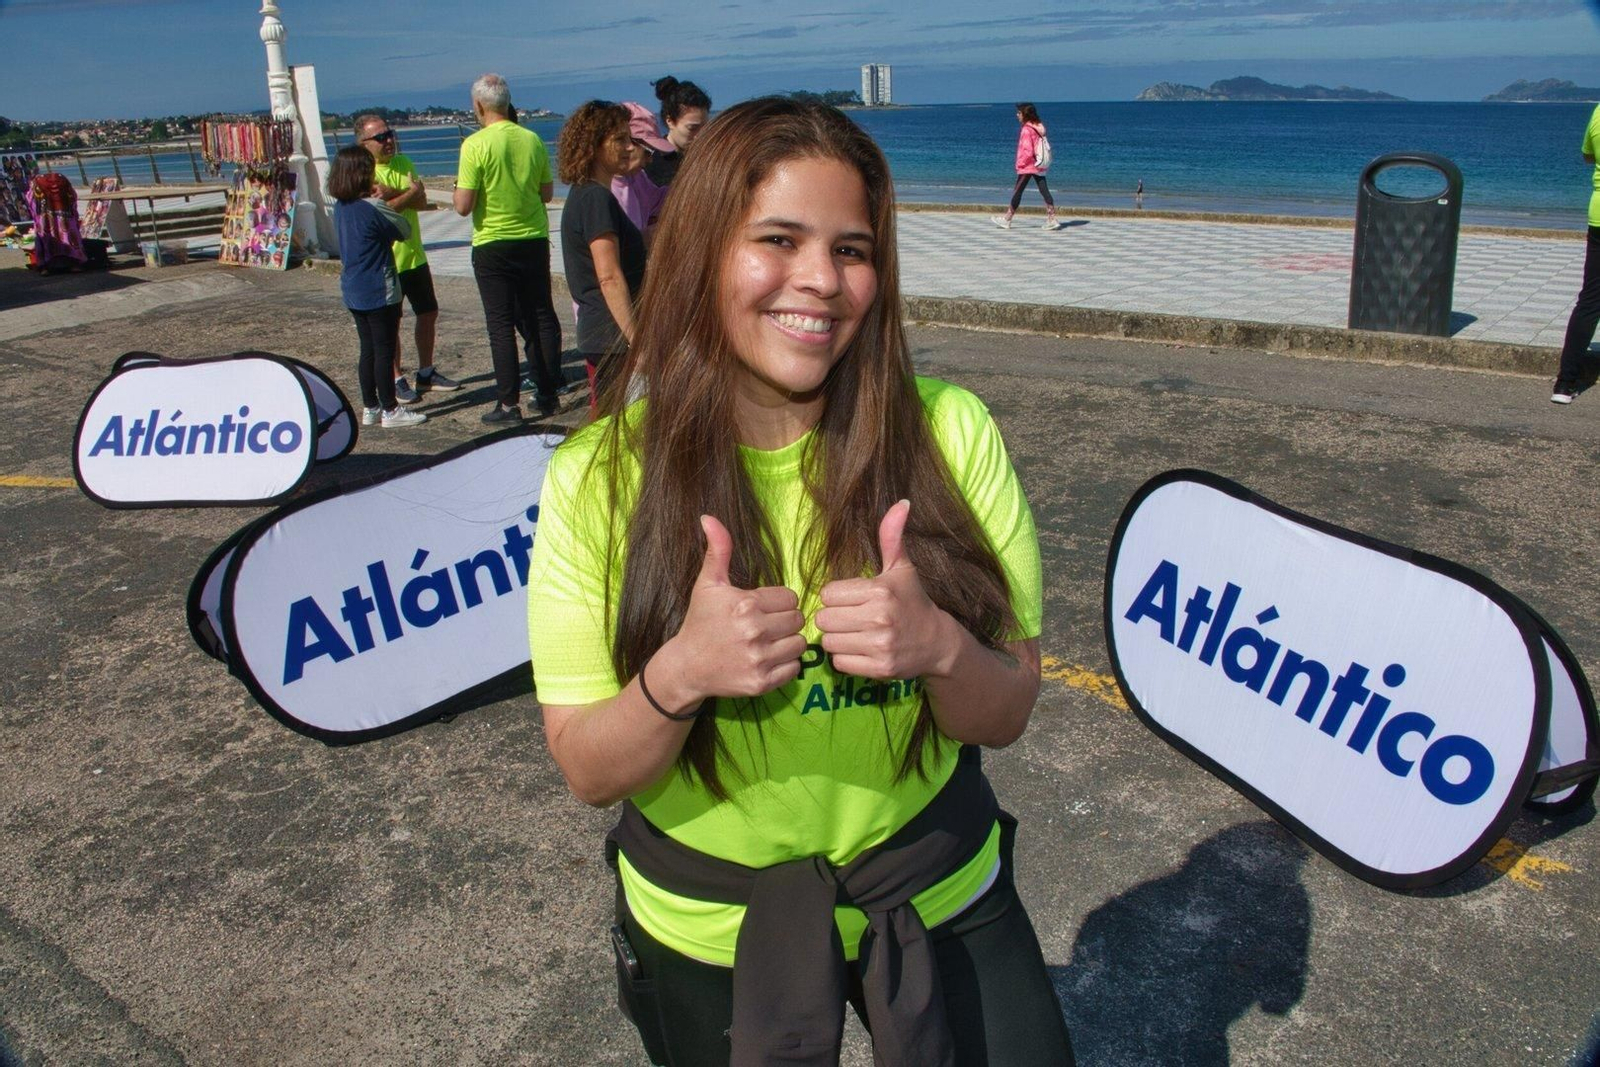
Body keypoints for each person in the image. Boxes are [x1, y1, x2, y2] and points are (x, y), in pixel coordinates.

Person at [528, 98, 1075, 1067]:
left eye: (853, 249)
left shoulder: (952, 432)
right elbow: (589, 767)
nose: (821, 280)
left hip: (938, 886)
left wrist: (941, 647)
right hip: (709, 924)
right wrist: (679, 674)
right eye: (777, 239)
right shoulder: (596, 476)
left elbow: (1005, 710)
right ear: (698, 251)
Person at [453, 73, 563, 422]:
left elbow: (463, 205)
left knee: (500, 324)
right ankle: (547, 392)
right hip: (532, 238)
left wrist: (461, 185)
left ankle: (508, 403)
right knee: (541, 314)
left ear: (479, 106)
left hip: (493, 242)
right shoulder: (532, 140)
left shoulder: (475, 144)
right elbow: (547, 193)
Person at [354, 113, 462, 403]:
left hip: (415, 254)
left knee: (428, 312)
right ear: (364, 143)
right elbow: (380, 212)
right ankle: (396, 377)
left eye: (390, 134)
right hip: (388, 260)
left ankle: (425, 373)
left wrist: (398, 194)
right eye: (380, 137)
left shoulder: (404, 163)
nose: (389, 141)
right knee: (391, 323)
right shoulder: (363, 172)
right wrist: (407, 193)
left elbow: (421, 199)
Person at [326, 146, 426, 429]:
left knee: (367, 349)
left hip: (353, 286)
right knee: (384, 350)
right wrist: (410, 193)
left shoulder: (341, 207)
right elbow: (403, 231)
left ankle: (370, 406)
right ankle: (391, 409)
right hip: (379, 286)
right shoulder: (372, 207)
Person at [560, 102, 648, 411]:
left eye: (630, 139)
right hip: (612, 337)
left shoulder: (586, 195)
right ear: (593, 146)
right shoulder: (596, 199)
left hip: (604, 334)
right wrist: (637, 340)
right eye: (619, 140)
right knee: (615, 425)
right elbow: (608, 276)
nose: (629, 147)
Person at [1552, 101, 1600, 404]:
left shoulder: (1598, 112)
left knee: (1590, 301)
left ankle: (1564, 383)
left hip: (1599, 216)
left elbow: (1587, 155)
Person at [611, 102, 672, 244]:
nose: (650, 160)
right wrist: (646, 236)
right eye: (648, 152)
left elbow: (658, 199)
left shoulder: (637, 177)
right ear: (626, 143)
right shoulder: (602, 189)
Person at [994, 102, 1058, 231]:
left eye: (1019, 113)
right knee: (1044, 190)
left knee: (1018, 191)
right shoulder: (1038, 127)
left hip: (1028, 165)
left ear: (1025, 114)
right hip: (1039, 164)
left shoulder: (1026, 130)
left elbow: (1027, 151)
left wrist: (1020, 165)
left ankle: (1007, 219)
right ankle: (1052, 218)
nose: (1017, 115)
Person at [643, 75, 710, 189]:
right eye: (692, 128)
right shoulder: (648, 162)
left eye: (705, 128)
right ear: (670, 121)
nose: (699, 135)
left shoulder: (709, 159)